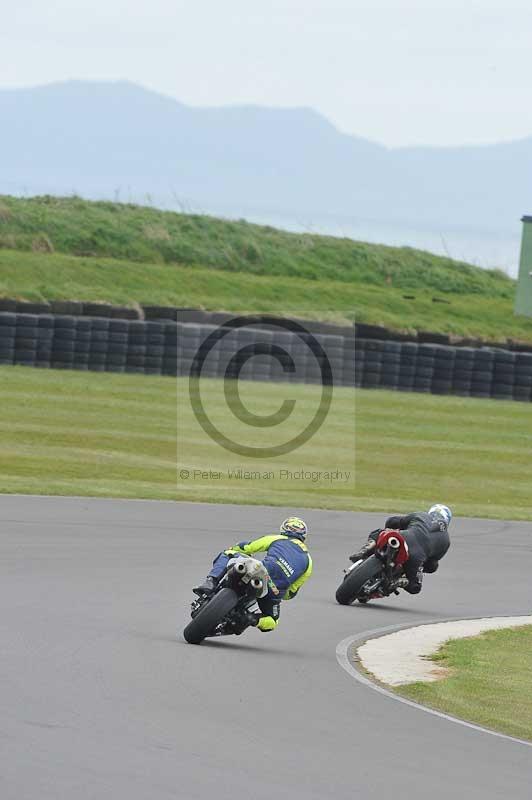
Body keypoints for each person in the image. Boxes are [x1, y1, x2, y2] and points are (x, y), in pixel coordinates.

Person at [193, 517, 312, 632]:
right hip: (274, 590)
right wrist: (278, 593)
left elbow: (248, 547)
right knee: (272, 621)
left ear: (284, 529)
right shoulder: (309, 561)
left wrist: (236, 549)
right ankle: (250, 619)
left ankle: (210, 582)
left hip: (261, 571)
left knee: (228, 553)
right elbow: (291, 593)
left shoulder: (277, 538)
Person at [349, 504, 452, 595]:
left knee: (380, 532)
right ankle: (397, 582)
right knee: (415, 588)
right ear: (447, 520)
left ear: (431, 512)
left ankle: (364, 551)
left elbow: (392, 521)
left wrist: (390, 528)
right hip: (416, 557)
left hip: (403, 537)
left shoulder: (421, 515)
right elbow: (432, 565)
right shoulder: (446, 541)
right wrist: (421, 567)